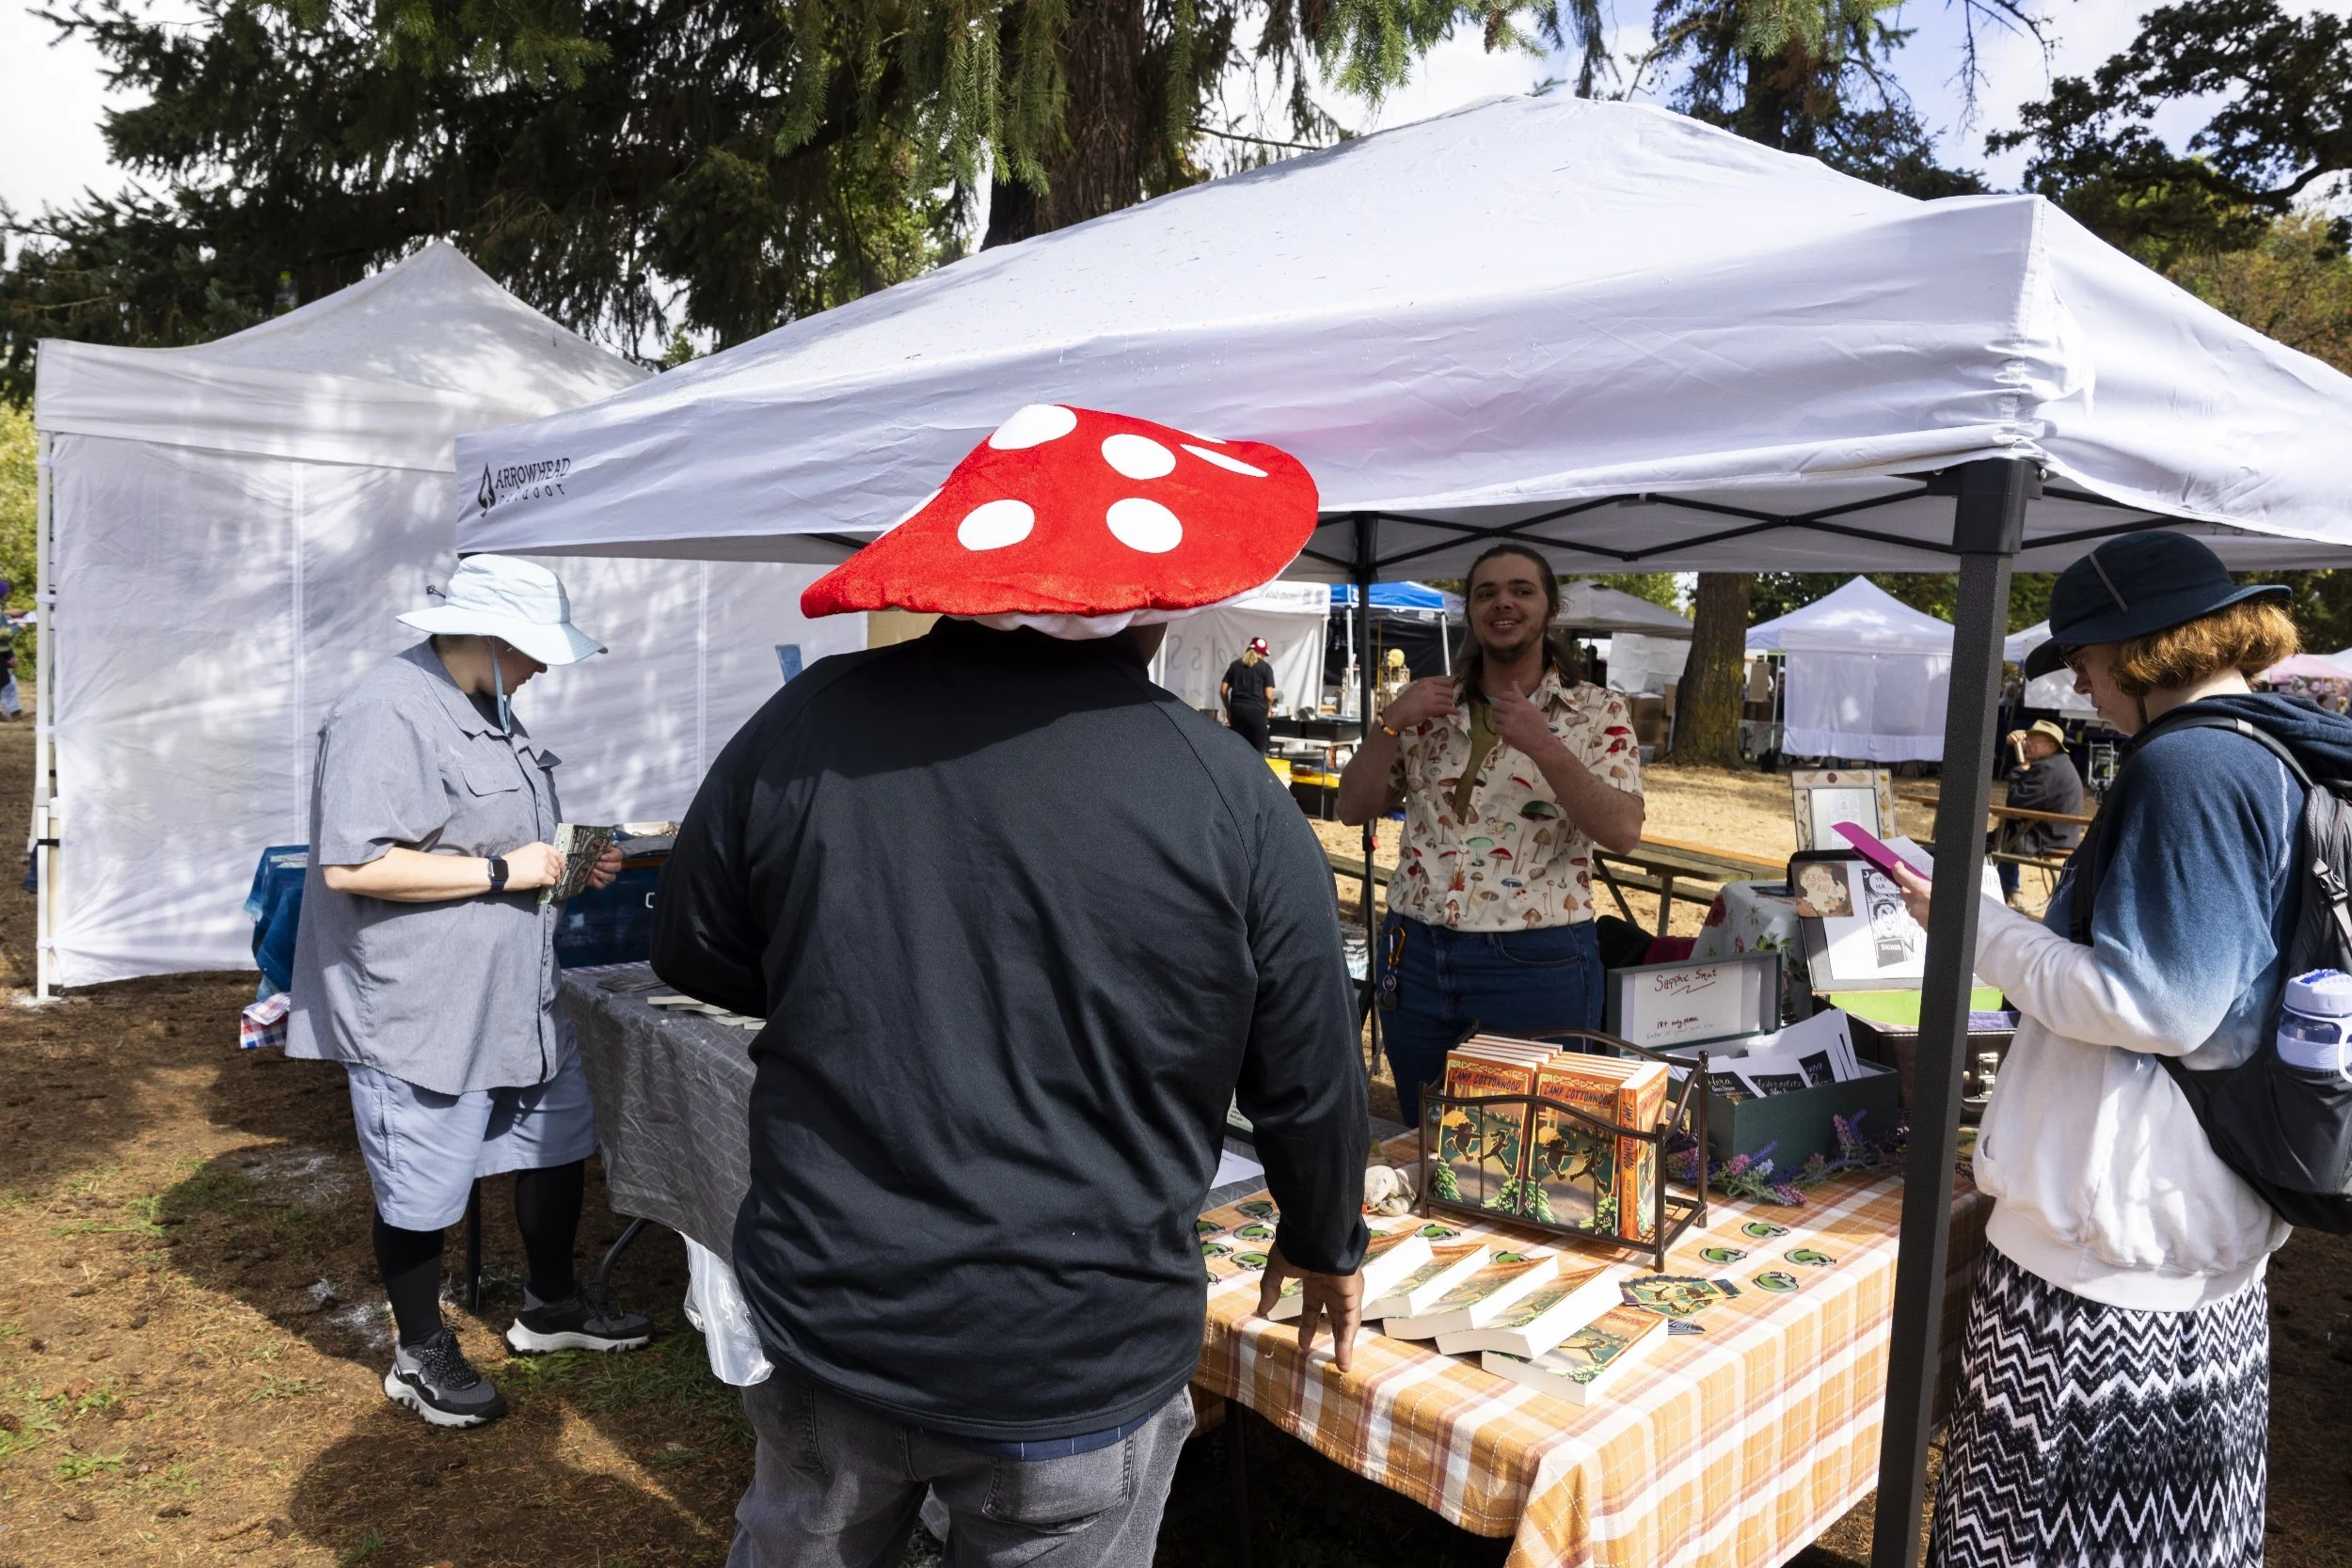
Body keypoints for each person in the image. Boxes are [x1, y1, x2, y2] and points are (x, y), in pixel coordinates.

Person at [653, 405, 1367, 1568]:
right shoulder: (1227, 791)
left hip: (842, 1304)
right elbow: (1309, 1065)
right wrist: (1326, 1235)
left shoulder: (809, 721)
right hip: (1073, 1343)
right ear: (1157, 599)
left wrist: (845, 975)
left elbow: (691, 945)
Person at [1885, 531, 2352, 1567]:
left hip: (2104, 1268)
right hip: (2192, 1222)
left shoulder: (2188, 762)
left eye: (2091, 663)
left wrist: (1974, 924)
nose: (2086, 689)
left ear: (2141, 651)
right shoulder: (2270, 747)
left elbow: (2157, 1004)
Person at [284, 555, 650, 1430]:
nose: (546, 667)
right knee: (421, 1180)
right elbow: (354, 862)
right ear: (485, 634)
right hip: (421, 1002)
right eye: (534, 649)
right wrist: (498, 869)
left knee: (557, 1135)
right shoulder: (385, 709)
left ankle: (550, 1305)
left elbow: (499, 842)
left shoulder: (490, 703)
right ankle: (418, 1352)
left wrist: (565, 865)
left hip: (515, 991)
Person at [1336, 543, 1645, 1126]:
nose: (1503, 603)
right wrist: (1389, 722)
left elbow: (1622, 831)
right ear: (1471, 612)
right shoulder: (1427, 707)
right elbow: (1353, 807)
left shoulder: (1596, 711)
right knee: (1424, 1141)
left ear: (1551, 608)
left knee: (1536, 1151)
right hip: (1418, 953)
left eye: (1521, 590)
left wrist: (1543, 743)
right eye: (1486, 592)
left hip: (1536, 961)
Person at [1988, 718, 2083, 904]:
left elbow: (2015, 800)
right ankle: (2010, 890)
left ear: (2050, 747)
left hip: (2048, 836)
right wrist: (2015, 753)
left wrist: (2020, 770)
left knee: (1991, 843)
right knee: (2003, 836)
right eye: (2027, 740)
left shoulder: (2049, 770)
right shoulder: (2054, 764)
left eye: (2033, 741)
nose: (2027, 744)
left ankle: (2001, 893)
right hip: (2048, 831)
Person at [1220, 636, 1279, 752]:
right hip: (1256, 712)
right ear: (1262, 654)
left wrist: (1228, 709)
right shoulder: (1265, 668)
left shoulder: (1235, 665)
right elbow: (1268, 695)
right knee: (1258, 752)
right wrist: (1269, 708)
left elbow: (1223, 690)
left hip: (1237, 711)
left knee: (1237, 751)